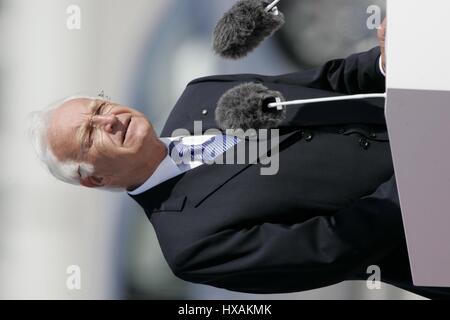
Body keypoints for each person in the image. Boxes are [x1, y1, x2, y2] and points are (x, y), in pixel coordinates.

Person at [29, 21, 450, 299]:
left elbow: (330, 84)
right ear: (94, 180)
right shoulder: (190, 246)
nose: (111, 121)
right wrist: (418, 178)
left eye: (99, 108)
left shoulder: (200, 94)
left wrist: (383, 62)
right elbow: (330, 249)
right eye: (90, 134)